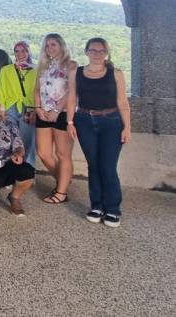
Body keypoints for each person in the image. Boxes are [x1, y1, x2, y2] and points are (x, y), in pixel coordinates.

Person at [67, 38, 131, 227]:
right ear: (86, 52)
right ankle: (96, 206)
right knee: (93, 165)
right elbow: (72, 98)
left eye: (101, 50)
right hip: (84, 121)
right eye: (93, 50)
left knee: (108, 167)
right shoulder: (76, 73)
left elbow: (122, 102)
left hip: (112, 122)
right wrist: (70, 122)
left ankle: (112, 209)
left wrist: (127, 127)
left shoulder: (116, 73)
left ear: (106, 53)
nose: (97, 54)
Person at [34, 33, 76, 205]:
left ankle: (61, 192)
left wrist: (57, 110)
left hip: (63, 113)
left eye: (53, 44)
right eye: (47, 45)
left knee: (62, 154)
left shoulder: (71, 65)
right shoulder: (44, 66)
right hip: (43, 113)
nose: (49, 48)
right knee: (43, 153)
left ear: (61, 46)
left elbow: (72, 91)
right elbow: (37, 90)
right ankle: (63, 179)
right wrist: (38, 108)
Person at [0, 41, 37, 168]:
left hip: (29, 107)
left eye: (23, 50)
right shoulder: (6, 70)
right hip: (11, 107)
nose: (20, 54)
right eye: (17, 51)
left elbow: (39, 91)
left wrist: (36, 109)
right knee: (9, 138)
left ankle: (27, 168)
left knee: (27, 138)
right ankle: (11, 167)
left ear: (28, 52)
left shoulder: (35, 70)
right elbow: (1, 89)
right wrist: (2, 109)